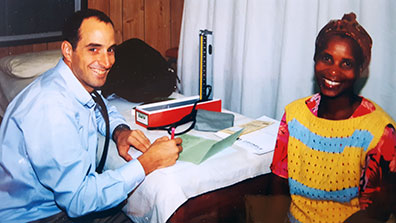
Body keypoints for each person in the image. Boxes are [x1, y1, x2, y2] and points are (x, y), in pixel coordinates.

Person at [0, 9, 182, 222]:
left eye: (110, 50)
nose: (106, 62)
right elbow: (78, 200)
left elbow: (99, 108)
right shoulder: (52, 109)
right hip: (35, 216)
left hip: (56, 205)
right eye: (94, 49)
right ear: (68, 51)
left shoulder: (72, 83)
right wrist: (146, 163)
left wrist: (119, 131)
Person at [269, 13, 396, 222]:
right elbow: (278, 187)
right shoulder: (294, 115)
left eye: (346, 63)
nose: (333, 71)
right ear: (315, 58)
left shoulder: (380, 130)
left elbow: (377, 211)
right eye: (326, 58)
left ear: (360, 69)